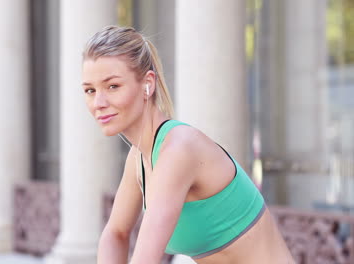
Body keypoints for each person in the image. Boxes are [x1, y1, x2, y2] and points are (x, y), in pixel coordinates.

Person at [81, 25, 294, 264]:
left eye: (113, 86)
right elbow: (115, 234)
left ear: (147, 84)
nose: (98, 102)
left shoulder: (179, 150)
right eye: (90, 90)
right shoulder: (139, 156)